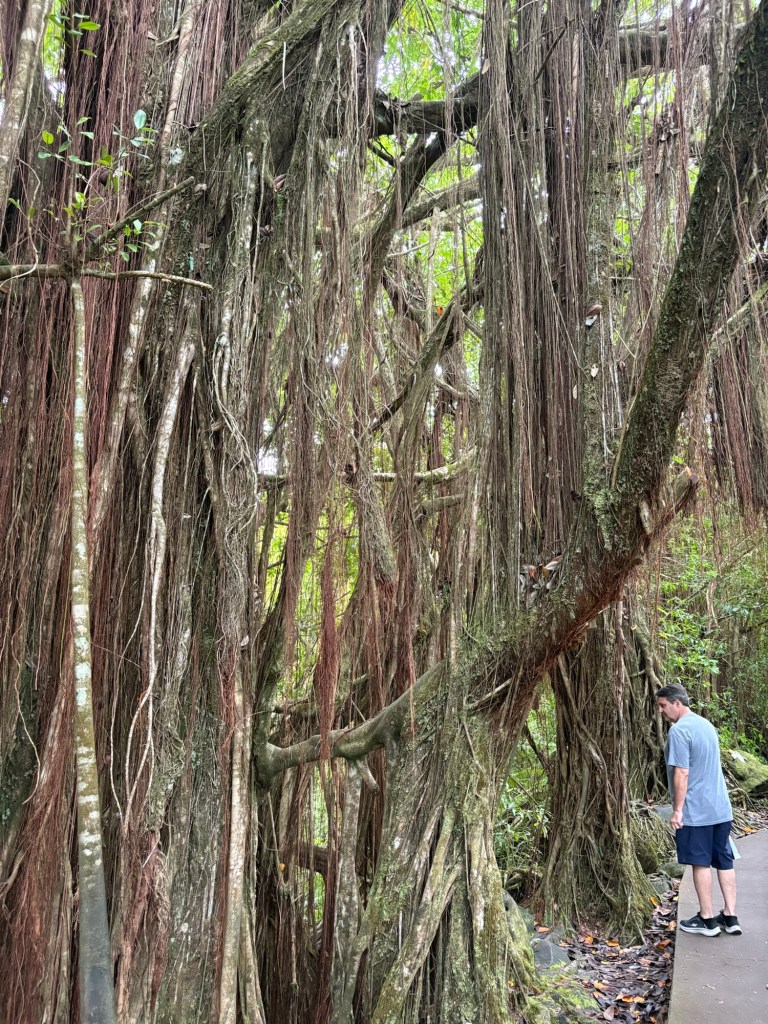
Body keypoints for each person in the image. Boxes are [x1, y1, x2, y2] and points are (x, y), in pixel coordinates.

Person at [655, 683, 741, 937]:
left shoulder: (679, 731)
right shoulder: (706, 725)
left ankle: (707, 919)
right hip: (721, 808)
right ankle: (730, 917)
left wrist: (678, 810)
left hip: (696, 811)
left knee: (700, 863)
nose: (661, 711)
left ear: (677, 703)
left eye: (663, 705)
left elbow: (682, 772)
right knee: (724, 861)